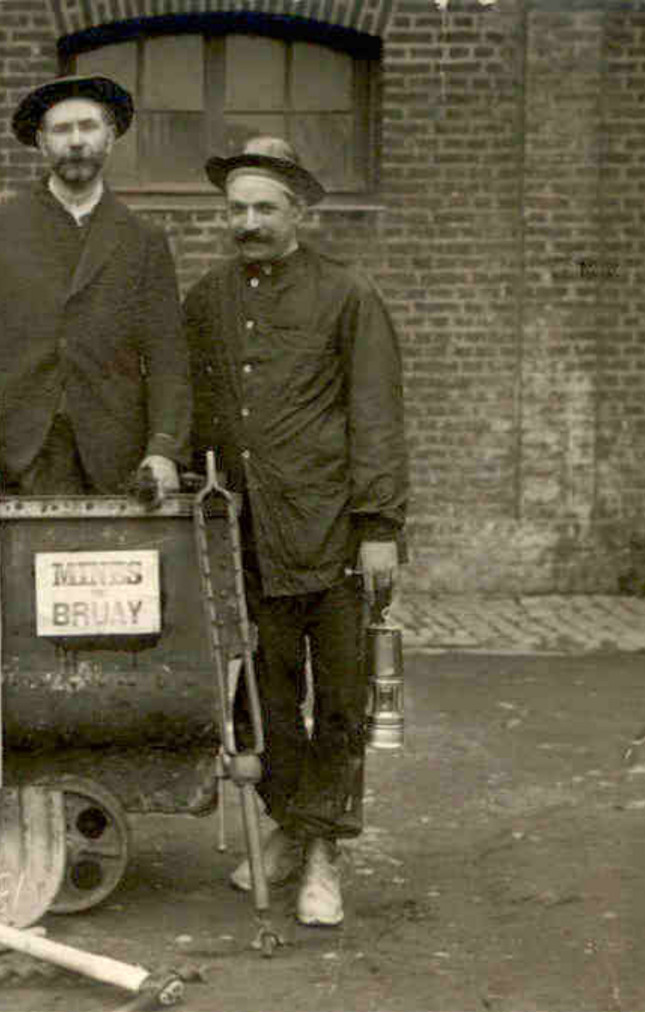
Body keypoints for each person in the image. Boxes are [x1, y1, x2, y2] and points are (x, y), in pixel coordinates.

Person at [183, 137, 409, 927]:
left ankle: (321, 855)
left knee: (340, 700)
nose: (247, 222)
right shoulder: (206, 299)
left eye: (264, 208)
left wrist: (377, 525)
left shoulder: (347, 294)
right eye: (236, 209)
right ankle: (289, 824)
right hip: (245, 535)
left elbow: (376, 415)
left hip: (332, 533)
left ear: (299, 212)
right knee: (264, 698)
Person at [0, 75, 190, 500]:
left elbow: (168, 358)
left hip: (117, 461)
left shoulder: (143, 240)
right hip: (15, 453)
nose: (76, 141)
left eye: (88, 127)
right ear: (42, 142)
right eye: (62, 130)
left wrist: (163, 450)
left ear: (110, 137)